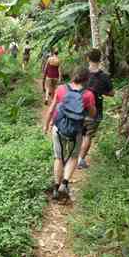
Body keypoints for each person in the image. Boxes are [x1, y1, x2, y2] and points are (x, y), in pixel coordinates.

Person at [44, 67, 96, 200]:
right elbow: (92, 113)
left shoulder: (61, 89)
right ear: (86, 79)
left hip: (59, 128)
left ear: (73, 76)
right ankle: (65, 183)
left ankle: (56, 187)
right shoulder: (88, 94)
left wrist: (46, 125)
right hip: (76, 130)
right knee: (73, 157)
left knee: (58, 157)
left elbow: (52, 109)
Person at [78, 49, 114, 169]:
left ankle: (72, 157)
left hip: (79, 107)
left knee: (79, 133)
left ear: (88, 58)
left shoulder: (82, 74)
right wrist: (101, 91)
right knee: (88, 135)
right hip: (95, 109)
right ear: (100, 59)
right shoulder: (104, 77)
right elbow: (112, 93)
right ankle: (80, 159)